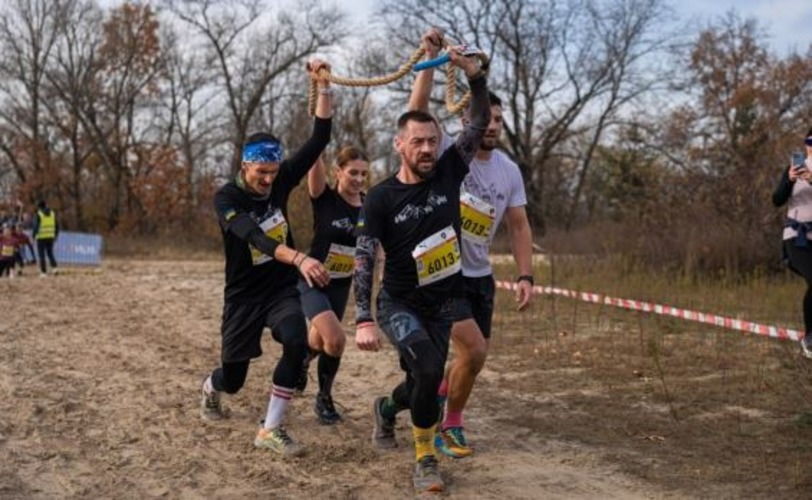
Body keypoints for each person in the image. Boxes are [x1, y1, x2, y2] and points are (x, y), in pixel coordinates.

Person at [353, 46, 489, 494]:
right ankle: (426, 460)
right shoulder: (380, 197)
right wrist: (364, 317)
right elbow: (364, 255)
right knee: (431, 372)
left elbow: (477, 123)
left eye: (432, 140)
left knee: (421, 382)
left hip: (444, 302)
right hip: (399, 303)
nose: (428, 149)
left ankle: (387, 409)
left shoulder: (449, 172)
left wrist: (474, 77)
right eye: (418, 142)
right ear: (399, 145)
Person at [408, 28, 535, 458]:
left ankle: (397, 405)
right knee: (473, 349)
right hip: (443, 273)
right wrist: (429, 57)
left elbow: (519, 226)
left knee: (473, 360)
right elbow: (416, 112)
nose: (493, 125)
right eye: (487, 118)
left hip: (480, 276)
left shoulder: (509, 170)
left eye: (499, 120)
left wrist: (525, 275)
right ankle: (451, 425)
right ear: (469, 120)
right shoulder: (448, 154)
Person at [199, 58, 334, 457]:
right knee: (234, 379)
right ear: (245, 165)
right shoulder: (227, 198)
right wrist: (299, 258)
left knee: (295, 340)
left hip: (278, 289)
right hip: (243, 296)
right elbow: (255, 237)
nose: (269, 179)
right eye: (262, 172)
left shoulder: (280, 179)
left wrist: (323, 86)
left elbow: (320, 137)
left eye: (274, 172)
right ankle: (210, 388)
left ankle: (270, 428)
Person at [295, 148, 368, 424]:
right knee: (336, 340)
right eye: (353, 173)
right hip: (312, 281)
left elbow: (378, 246)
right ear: (338, 172)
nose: (359, 179)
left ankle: (301, 361)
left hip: (340, 284)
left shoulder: (370, 205)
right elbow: (315, 156)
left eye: (363, 174)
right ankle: (324, 398)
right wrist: (320, 136)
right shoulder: (324, 198)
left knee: (320, 342)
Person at [773, 127, 812, 359]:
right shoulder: (794, 168)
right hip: (796, 237)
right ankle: (809, 337)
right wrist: (789, 180)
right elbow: (777, 199)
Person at [32, 200, 58, 276]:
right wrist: (56, 235)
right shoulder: (52, 214)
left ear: (39, 207)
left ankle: (43, 272)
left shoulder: (38, 214)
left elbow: (36, 227)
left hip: (41, 237)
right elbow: (57, 225)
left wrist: (33, 236)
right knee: (50, 253)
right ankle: (55, 269)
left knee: (41, 255)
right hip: (50, 236)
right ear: (46, 205)